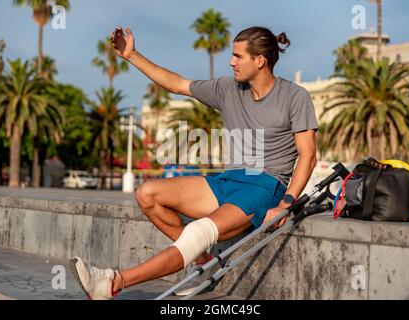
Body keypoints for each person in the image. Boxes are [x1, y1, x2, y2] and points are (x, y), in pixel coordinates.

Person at [70, 25, 318, 300]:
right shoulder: (228, 88)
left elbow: (308, 155)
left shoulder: (295, 97)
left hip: (264, 186)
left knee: (199, 230)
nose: (230, 62)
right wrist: (132, 55)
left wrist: (286, 203)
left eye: (238, 56)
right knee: (148, 193)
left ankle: (113, 281)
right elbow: (177, 83)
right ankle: (204, 263)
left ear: (260, 61)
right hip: (229, 180)